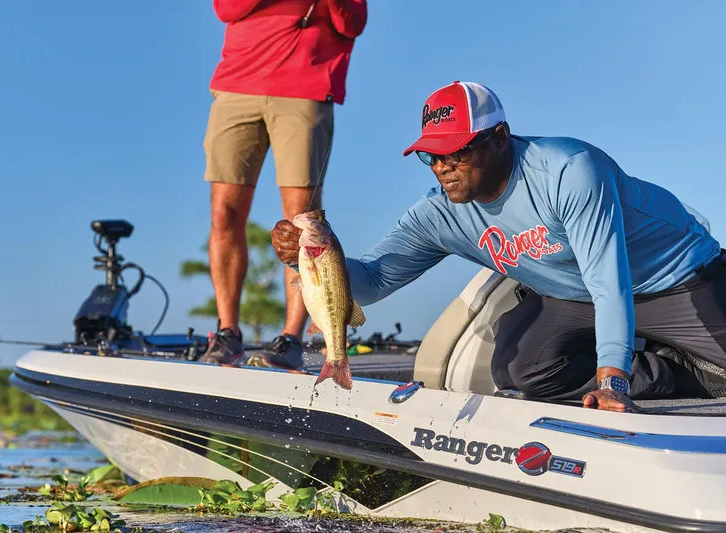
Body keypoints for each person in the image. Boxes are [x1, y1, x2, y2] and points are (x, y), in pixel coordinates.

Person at [270, 80, 726, 413]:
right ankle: (677, 370)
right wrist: (307, 259)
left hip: (675, 278)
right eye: (431, 156)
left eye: (456, 151)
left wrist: (613, 382)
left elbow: (610, 282)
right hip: (576, 295)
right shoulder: (439, 215)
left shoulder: (569, 170)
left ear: (500, 137)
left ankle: (650, 356)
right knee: (519, 367)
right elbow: (369, 284)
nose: (442, 167)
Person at [199, 0, 368, 369]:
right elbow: (226, 9)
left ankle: (291, 338)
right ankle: (227, 333)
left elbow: (353, 22)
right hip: (237, 84)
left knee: (303, 222)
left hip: (305, 86)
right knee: (224, 212)